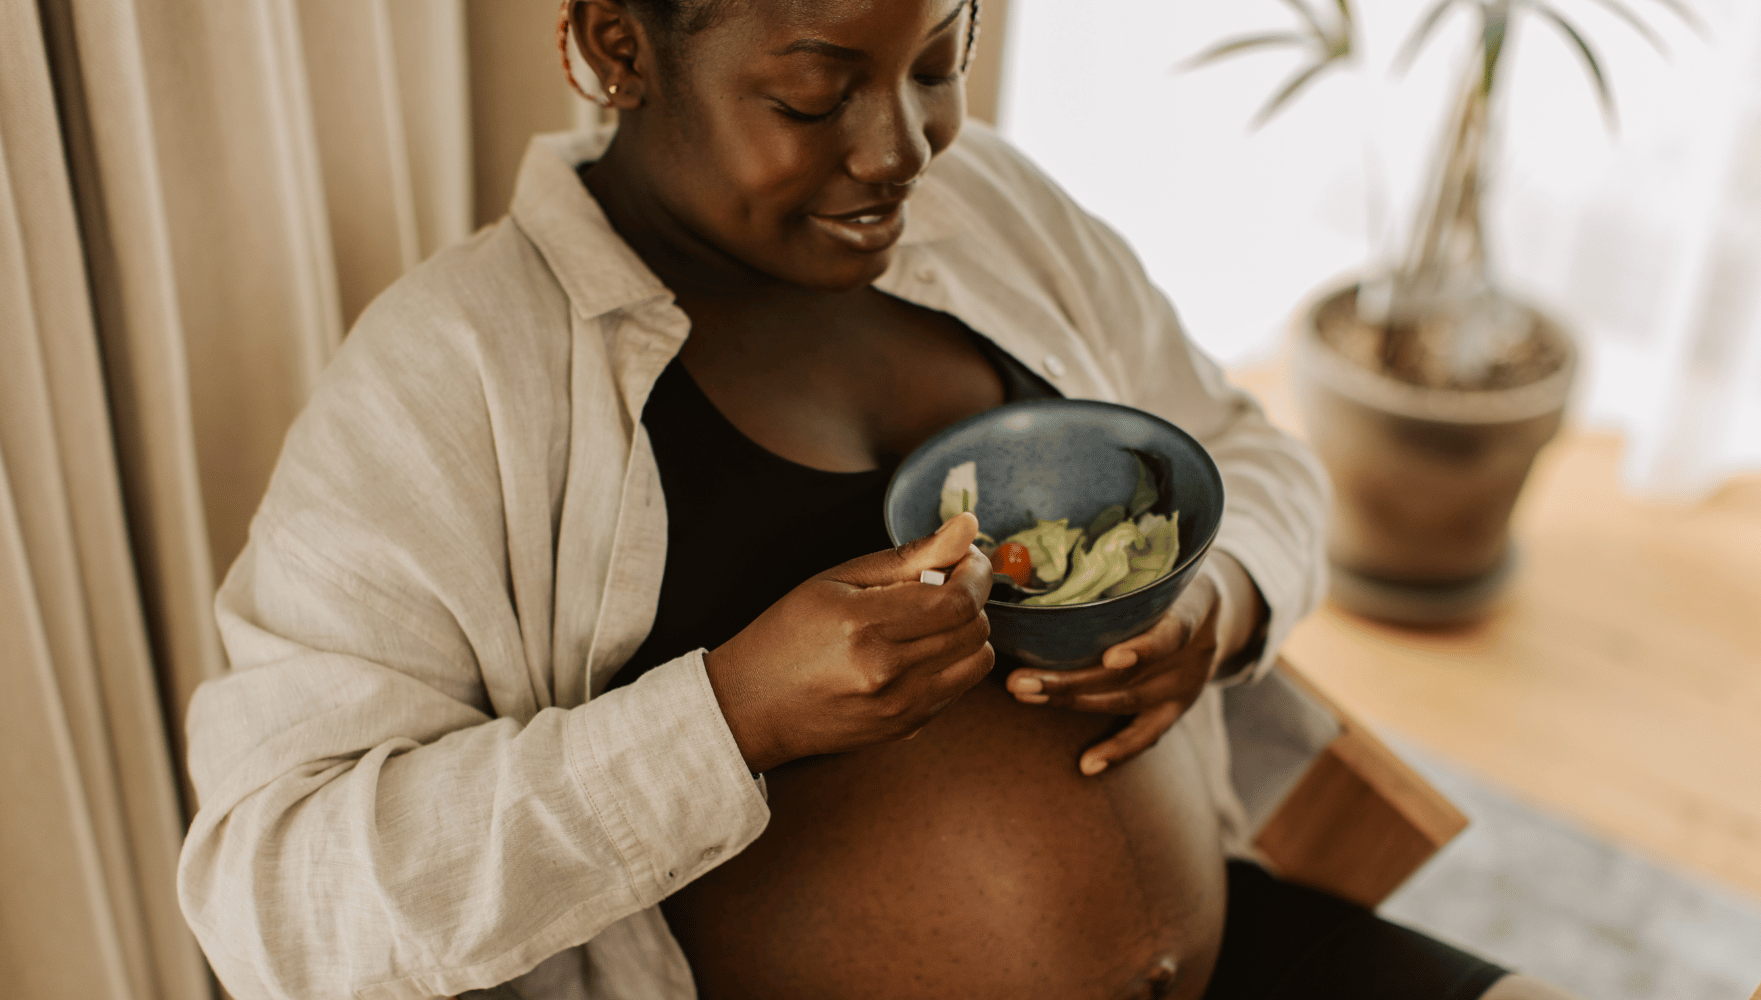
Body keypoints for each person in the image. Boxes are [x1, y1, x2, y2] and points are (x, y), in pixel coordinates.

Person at [176, 1, 1580, 998]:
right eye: (813, 93)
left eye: (939, 60)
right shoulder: (454, 376)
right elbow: (274, 898)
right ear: (616, 45)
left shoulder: (993, 216)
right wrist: (729, 715)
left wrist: (1221, 597)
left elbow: (1247, 452)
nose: (900, 150)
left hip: (1245, 956)